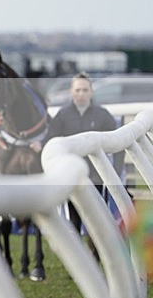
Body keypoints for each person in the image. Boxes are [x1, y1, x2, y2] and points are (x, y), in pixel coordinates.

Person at [32, 72, 123, 256]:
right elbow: (51, 138)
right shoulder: (63, 115)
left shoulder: (103, 115)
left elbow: (117, 144)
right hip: (72, 179)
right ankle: (79, 262)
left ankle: (96, 259)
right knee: (74, 221)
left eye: (85, 90)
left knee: (96, 223)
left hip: (97, 178)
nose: (81, 93)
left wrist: (115, 173)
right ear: (71, 92)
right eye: (77, 90)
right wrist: (40, 145)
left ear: (91, 92)